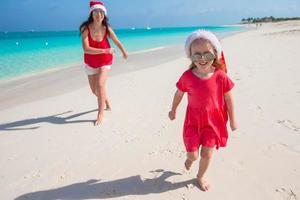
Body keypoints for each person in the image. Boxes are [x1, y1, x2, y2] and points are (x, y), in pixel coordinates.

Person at [168, 30, 237, 191]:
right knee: (193, 154)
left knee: (207, 154)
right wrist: (173, 110)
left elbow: (229, 98)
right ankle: (190, 159)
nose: (202, 59)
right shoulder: (187, 76)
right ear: (190, 56)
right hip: (193, 121)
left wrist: (233, 119)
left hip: (214, 122)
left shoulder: (221, 76)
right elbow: (179, 94)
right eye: (197, 54)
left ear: (215, 53)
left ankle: (200, 176)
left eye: (207, 54)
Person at [79, 1, 128, 125]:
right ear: (91, 14)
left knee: (100, 85)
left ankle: (100, 114)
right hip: (90, 62)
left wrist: (124, 51)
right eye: (96, 12)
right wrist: (104, 49)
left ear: (104, 14)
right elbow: (86, 48)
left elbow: (116, 41)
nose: (99, 15)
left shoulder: (106, 28)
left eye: (101, 12)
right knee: (94, 90)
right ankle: (105, 100)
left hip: (105, 60)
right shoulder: (85, 28)